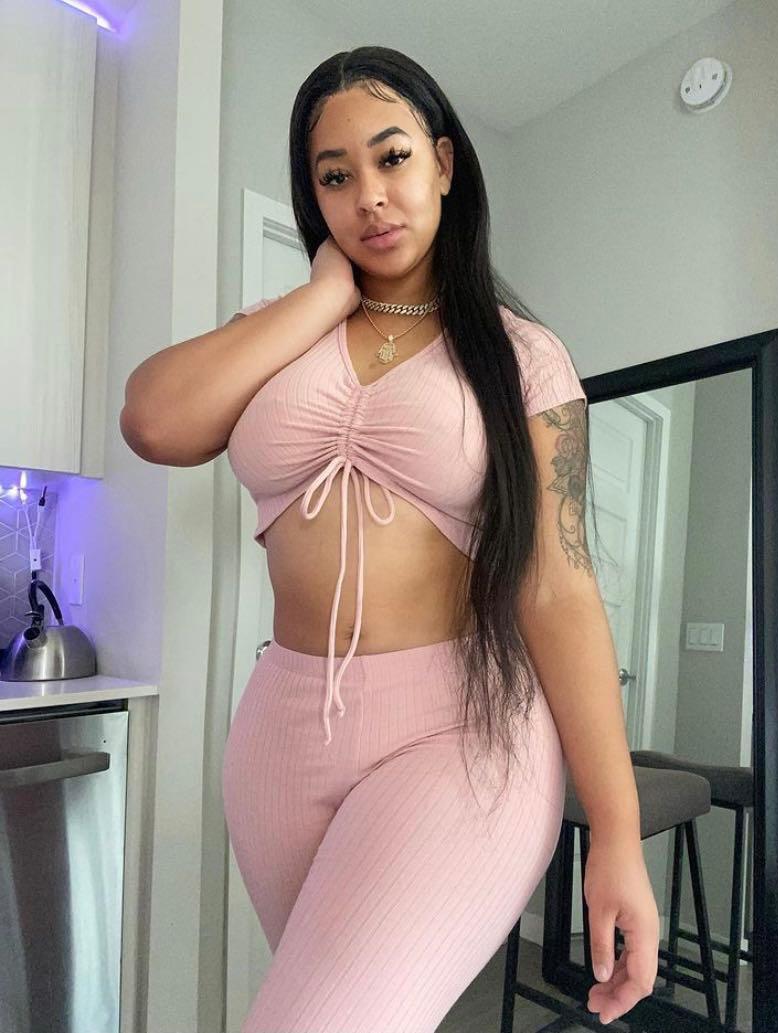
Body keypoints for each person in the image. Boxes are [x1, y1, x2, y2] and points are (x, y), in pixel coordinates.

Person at [121, 44, 659, 1033]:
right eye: (335, 176)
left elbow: (560, 588)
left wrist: (616, 829)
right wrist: (323, 298)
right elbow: (154, 422)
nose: (369, 194)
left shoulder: (523, 356)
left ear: (443, 163)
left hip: (457, 731)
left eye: (393, 157)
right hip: (280, 736)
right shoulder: (283, 329)